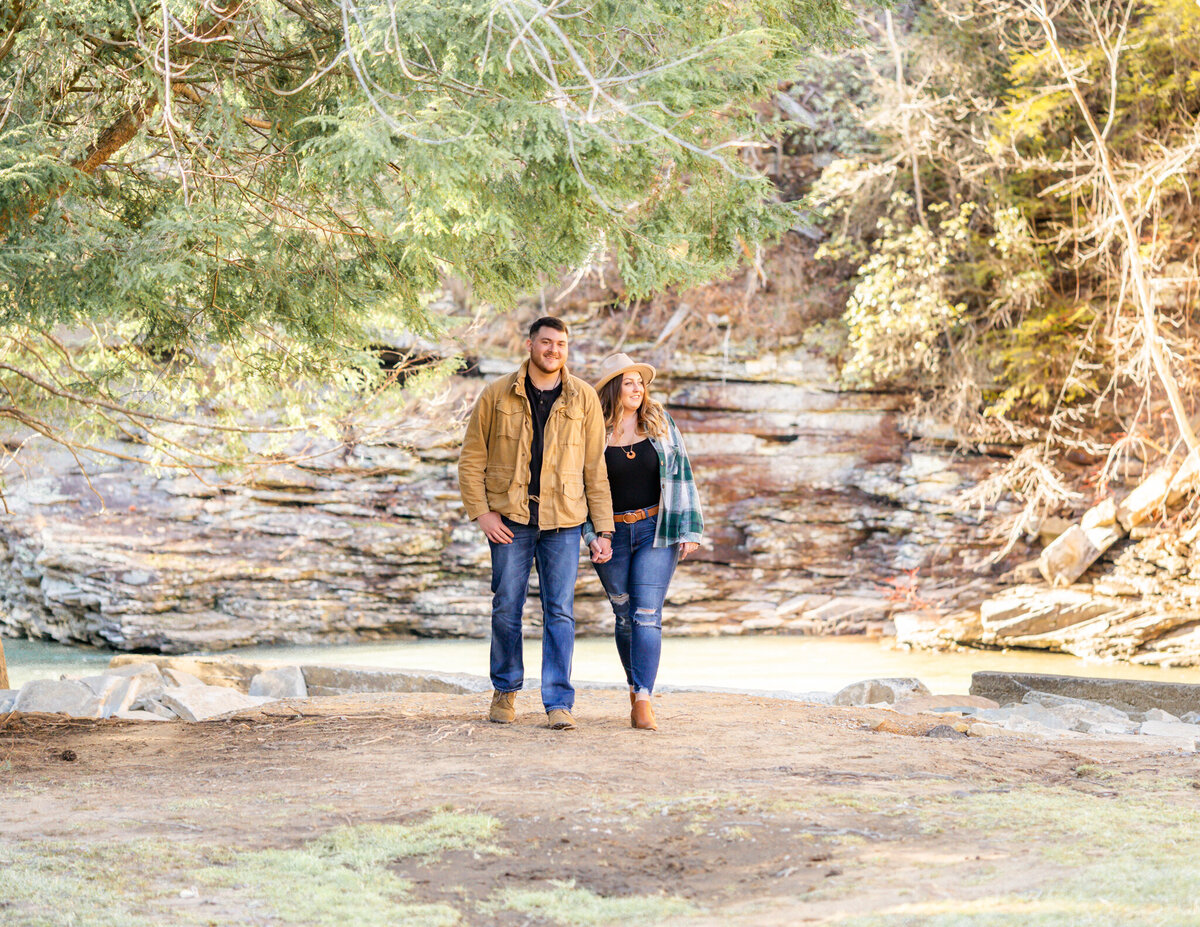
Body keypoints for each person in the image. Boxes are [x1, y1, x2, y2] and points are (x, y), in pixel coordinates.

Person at [458, 317, 614, 730]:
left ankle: (558, 702)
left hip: (563, 522)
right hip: (510, 519)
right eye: (546, 342)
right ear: (529, 345)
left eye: (561, 344)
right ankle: (505, 691)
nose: (553, 350)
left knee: (559, 611)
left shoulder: (584, 399)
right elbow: (471, 459)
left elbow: (595, 469)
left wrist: (603, 529)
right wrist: (482, 512)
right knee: (506, 606)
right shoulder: (495, 395)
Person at [585, 353, 703, 731]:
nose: (637, 389)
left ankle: (644, 699)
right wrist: (591, 536)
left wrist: (691, 530)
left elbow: (683, 473)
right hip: (611, 534)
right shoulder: (592, 431)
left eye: (640, 382)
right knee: (623, 616)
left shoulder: (661, 422)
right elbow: (580, 490)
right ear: (613, 389)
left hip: (658, 530)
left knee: (647, 615)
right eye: (629, 382)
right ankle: (634, 687)